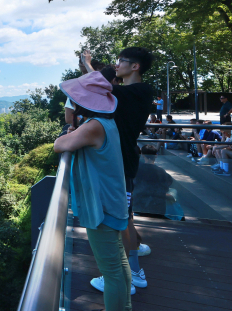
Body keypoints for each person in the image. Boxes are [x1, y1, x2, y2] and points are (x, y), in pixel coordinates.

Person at [54, 71, 132, 309]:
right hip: (112, 199)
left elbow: (59, 145)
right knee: (118, 262)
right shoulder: (102, 122)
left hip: (102, 206)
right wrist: (76, 132)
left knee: (111, 272)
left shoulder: (93, 126)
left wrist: (71, 135)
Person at [83, 47, 154, 292]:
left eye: (121, 61)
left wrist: (87, 63)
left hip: (121, 163)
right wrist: (89, 65)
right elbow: (99, 84)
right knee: (126, 218)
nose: (116, 65)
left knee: (121, 220)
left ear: (135, 66)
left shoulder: (138, 90)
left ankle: (130, 275)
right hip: (123, 161)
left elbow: (95, 84)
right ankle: (133, 270)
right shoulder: (131, 92)